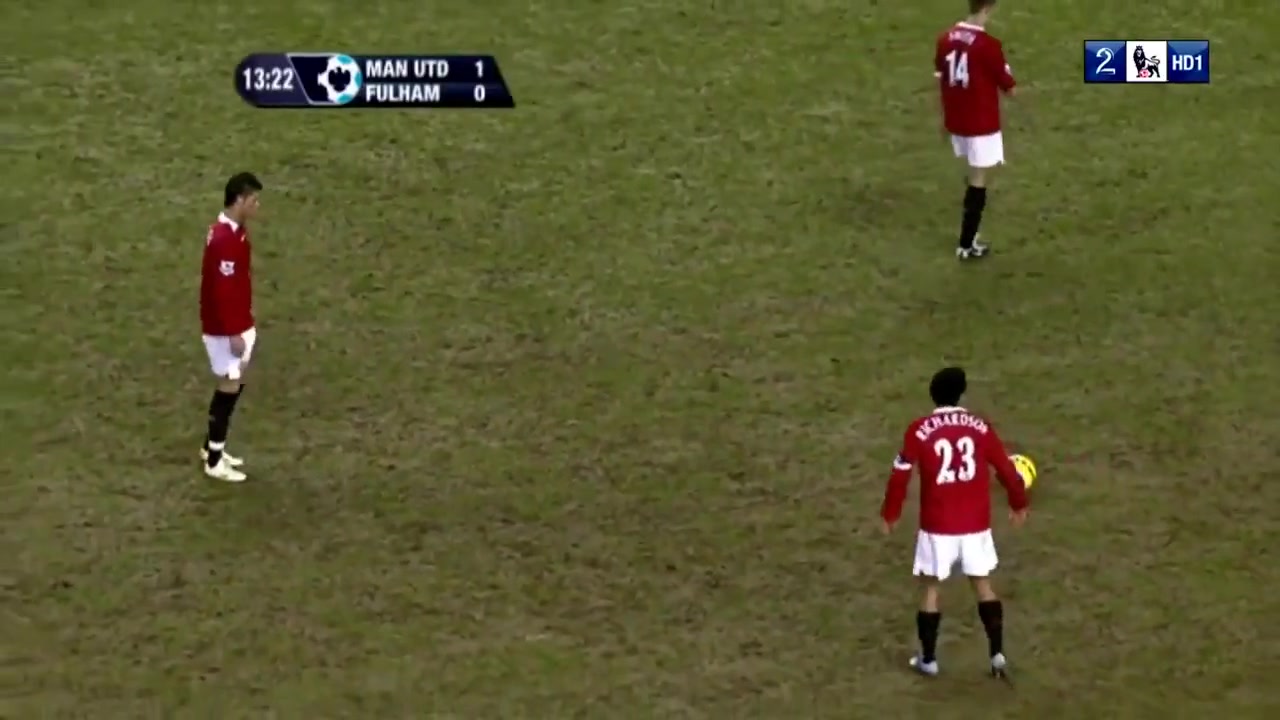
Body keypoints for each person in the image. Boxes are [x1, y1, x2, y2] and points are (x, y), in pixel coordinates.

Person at [880, 367, 1029, 678]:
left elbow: (899, 475)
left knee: (931, 589)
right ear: (961, 394)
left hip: (937, 526)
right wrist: (1018, 503)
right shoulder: (980, 427)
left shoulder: (919, 429)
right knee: (983, 586)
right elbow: (1006, 469)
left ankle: (929, 660)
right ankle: (997, 656)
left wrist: (891, 513)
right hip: (976, 525)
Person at [935, 0, 1017, 259]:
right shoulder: (988, 46)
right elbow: (1009, 86)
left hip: (956, 119)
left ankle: (968, 239)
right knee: (978, 178)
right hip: (981, 123)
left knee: (974, 173)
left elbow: (941, 78)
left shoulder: (945, 39)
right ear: (988, 8)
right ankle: (967, 244)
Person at [198, 172, 262, 482]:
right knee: (229, 386)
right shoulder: (225, 240)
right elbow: (222, 292)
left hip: (234, 321)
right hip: (225, 329)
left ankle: (212, 447)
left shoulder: (230, 232)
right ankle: (214, 461)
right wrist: (234, 331)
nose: (257, 206)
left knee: (233, 383)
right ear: (239, 200)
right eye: (253, 200)